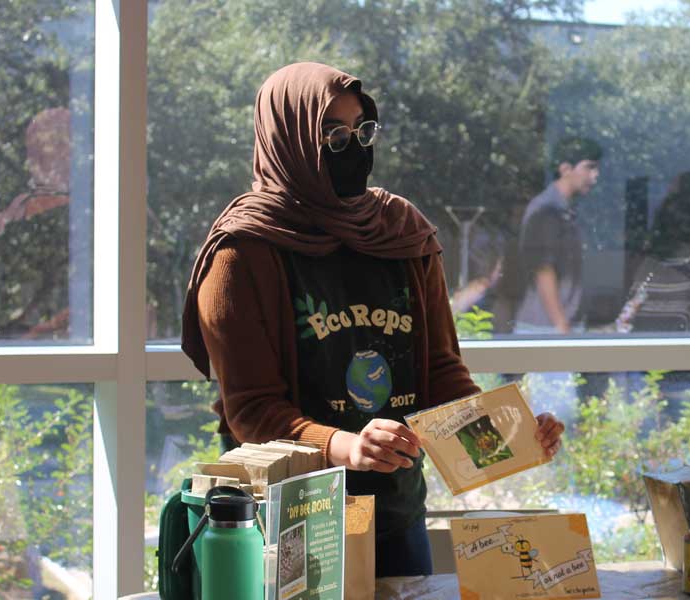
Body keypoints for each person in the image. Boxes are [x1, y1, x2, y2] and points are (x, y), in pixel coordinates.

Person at [180, 63, 565, 578]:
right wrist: (347, 446)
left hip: (394, 511)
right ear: (287, 136)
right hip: (290, 519)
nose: (353, 147)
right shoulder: (244, 251)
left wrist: (504, 435)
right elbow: (251, 411)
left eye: (362, 130)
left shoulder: (400, 232)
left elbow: (440, 372)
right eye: (332, 134)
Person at [511, 136, 601, 335]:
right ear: (565, 169)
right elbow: (543, 270)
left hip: (564, 328)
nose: (595, 175)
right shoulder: (545, 210)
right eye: (589, 167)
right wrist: (562, 328)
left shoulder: (570, 210)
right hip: (544, 331)